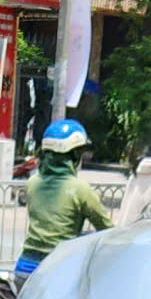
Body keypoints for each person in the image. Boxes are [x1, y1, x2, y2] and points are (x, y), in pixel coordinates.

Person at [17, 118, 111, 276]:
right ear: (73, 155)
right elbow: (106, 228)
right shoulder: (81, 189)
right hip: (58, 269)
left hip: (25, 266)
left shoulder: (33, 182)